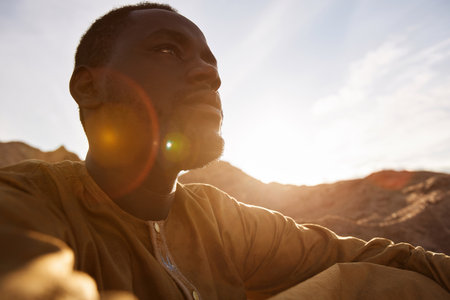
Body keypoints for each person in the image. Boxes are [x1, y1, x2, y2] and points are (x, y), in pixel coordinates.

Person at [0, 3, 449, 300]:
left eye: (210, 62)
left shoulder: (225, 222)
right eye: (167, 50)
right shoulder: (24, 201)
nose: (208, 76)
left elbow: (382, 258)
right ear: (88, 86)